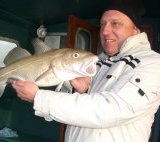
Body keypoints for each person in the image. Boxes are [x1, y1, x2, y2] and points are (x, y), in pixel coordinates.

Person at [12, 1, 160, 142]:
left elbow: (109, 111)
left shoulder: (153, 63)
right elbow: (90, 104)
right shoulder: (101, 61)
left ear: (136, 30)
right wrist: (85, 90)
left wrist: (39, 98)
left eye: (116, 24)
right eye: (102, 24)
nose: (105, 31)